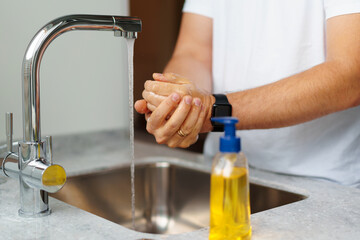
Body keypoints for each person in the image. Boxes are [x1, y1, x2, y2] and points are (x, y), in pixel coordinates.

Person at [134, 0, 360, 188]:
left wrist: (214, 110)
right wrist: (179, 102)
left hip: (325, 182)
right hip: (224, 170)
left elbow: (350, 74)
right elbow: (194, 52)